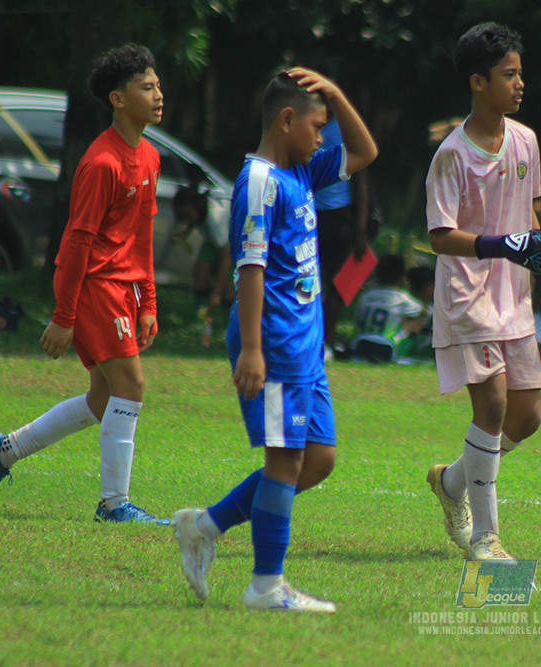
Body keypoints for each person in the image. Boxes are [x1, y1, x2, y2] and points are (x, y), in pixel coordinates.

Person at [170, 67, 377, 612]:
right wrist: (255, 349)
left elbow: (365, 153)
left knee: (319, 460)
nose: (323, 136)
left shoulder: (303, 173)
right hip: (276, 341)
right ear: (287, 121)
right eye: (317, 124)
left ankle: (205, 526)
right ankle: (266, 585)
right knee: (285, 461)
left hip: (307, 345)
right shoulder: (260, 181)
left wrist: (334, 92)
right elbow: (250, 268)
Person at [0, 44, 168, 524]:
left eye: (157, 85)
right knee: (130, 386)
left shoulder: (150, 157)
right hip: (94, 287)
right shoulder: (102, 163)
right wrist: (63, 316)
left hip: (124, 290)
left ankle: (4, 453)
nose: (158, 95)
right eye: (147, 87)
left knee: (102, 398)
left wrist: (149, 302)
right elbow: (77, 243)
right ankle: (114, 504)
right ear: (118, 99)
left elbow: (141, 239)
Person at [424, 22, 541, 561]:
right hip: (467, 294)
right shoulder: (452, 155)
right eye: (508, 75)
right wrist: (502, 246)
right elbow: (440, 236)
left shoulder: (526, 140)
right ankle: (486, 537)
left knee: (526, 415)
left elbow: (528, 219)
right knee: (491, 403)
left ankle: (453, 483)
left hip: (513, 296)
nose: (519, 83)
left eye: (520, 73)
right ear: (478, 82)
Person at [314, 117, 374, 361]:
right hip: (312, 211)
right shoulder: (307, 124)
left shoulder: (344, 128)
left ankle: (327, 340)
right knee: (310, 282)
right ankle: (312, 338)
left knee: (337, 283)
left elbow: (361, 181)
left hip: (340, 214)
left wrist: (360, 230)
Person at [170, 172, 235, 318]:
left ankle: (227, 323)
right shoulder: (197, 208)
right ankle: (203, 317)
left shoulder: (216, 219)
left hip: (233, 244)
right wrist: (183, 235)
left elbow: (226, 259)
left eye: (187, 217)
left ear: (196, 208)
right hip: (213, 241)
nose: (186, 221)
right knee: (199, 272)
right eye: (182, 218)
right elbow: (193, 219)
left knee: (228, 288)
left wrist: (216, 294)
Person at [349, 253, 427, 361]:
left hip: (360, 344)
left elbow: (358, 320)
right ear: (401, 277)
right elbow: (423, 311)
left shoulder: (366, 296)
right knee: (418, 320)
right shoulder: (402, 298)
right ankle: (400, 352)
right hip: (385, 347)